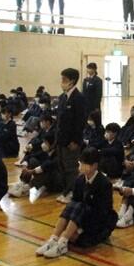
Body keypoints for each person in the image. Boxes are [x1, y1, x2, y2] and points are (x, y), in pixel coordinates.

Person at [35, 147, 117, 258]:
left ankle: (63, 242)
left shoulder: (104, 184)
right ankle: (53, 239)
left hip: (97, 224)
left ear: (94, 165)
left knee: (78, 233)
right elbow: (74, 204)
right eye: (80, 163)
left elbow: (102, 213)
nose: (81, 166)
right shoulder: (80, 180)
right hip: (82, 218)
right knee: (72, 205)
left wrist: (79, 230)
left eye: (85, 164)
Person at [55, 68, 87, 204]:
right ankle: (66, 191)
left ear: (72, 81)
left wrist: (76, 141)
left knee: (71, 168)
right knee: (62, 166)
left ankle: (73, 192)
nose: (62, 82)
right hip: (61, 140)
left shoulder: (79, 98)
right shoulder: (62, 97)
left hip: (72, 141)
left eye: (64, 79)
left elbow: (80, 122)